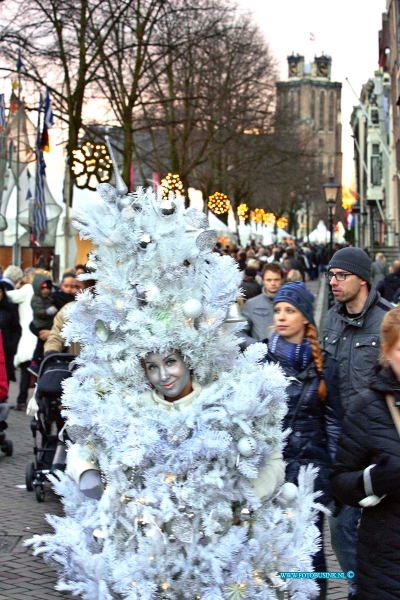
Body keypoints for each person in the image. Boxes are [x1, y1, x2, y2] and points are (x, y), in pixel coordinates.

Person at [67, 348, 286, 504]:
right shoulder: (133, 408)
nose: (163, 376)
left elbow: (272, 458)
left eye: (170, 362)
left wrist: (242, 498)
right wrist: (87, 473)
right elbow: (86, 444)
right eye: (153, 367)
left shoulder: (223, 405)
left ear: (188, 360)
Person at [264, 282, 342, 600]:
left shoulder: (325, 366)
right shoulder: (262, 362)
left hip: (312, 469)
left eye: (290, 311)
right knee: (273, 547)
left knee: (312, 547)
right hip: (273, 471)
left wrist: (336, 472)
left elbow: (334, 425)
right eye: (278, 310)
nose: (281, 316)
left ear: (306, 318)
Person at [323, 246, 392, 600]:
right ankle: (355, 585)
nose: (333, 282)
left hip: (381, 445)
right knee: (340, 525)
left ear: (361, 279)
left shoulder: (386, 320)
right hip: (344, 443)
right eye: (330, 275)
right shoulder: (331, 319)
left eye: (341, 275)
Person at [331, 306, 400, 600]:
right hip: (387, 569)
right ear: (386, 350)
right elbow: (339, 483)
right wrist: (374, 480)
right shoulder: (368, 407)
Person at [6, 269, 40, 410]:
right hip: (39, 335)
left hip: (28, 337)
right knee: (37, 369)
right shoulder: (44, 292)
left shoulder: (27, 290)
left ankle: (21, 400)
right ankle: (37, 400)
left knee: (26, 370)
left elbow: (9, 296)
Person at [240, 262, 285, 348]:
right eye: (269, 280)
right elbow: (239, 333)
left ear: (282, 280)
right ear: (263, 281)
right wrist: (258, 345)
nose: (273, 283)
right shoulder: (251, 304)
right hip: (260, 356)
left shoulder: (291, 303)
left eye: (276, 279)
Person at [28, 273, 58, 375]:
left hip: (46, 324)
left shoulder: (47, 298)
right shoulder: (36, 298)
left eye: (48, 288)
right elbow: (38, 311)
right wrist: (47, 312)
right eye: (43, 288)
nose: (46, 290)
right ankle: (34, 362)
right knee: (40, 344)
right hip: (40, 324)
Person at [0, 281, 21, 384]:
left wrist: (12, 345)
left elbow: (16, 329)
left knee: (4, 377)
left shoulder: (10, 308)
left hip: (6, 351)